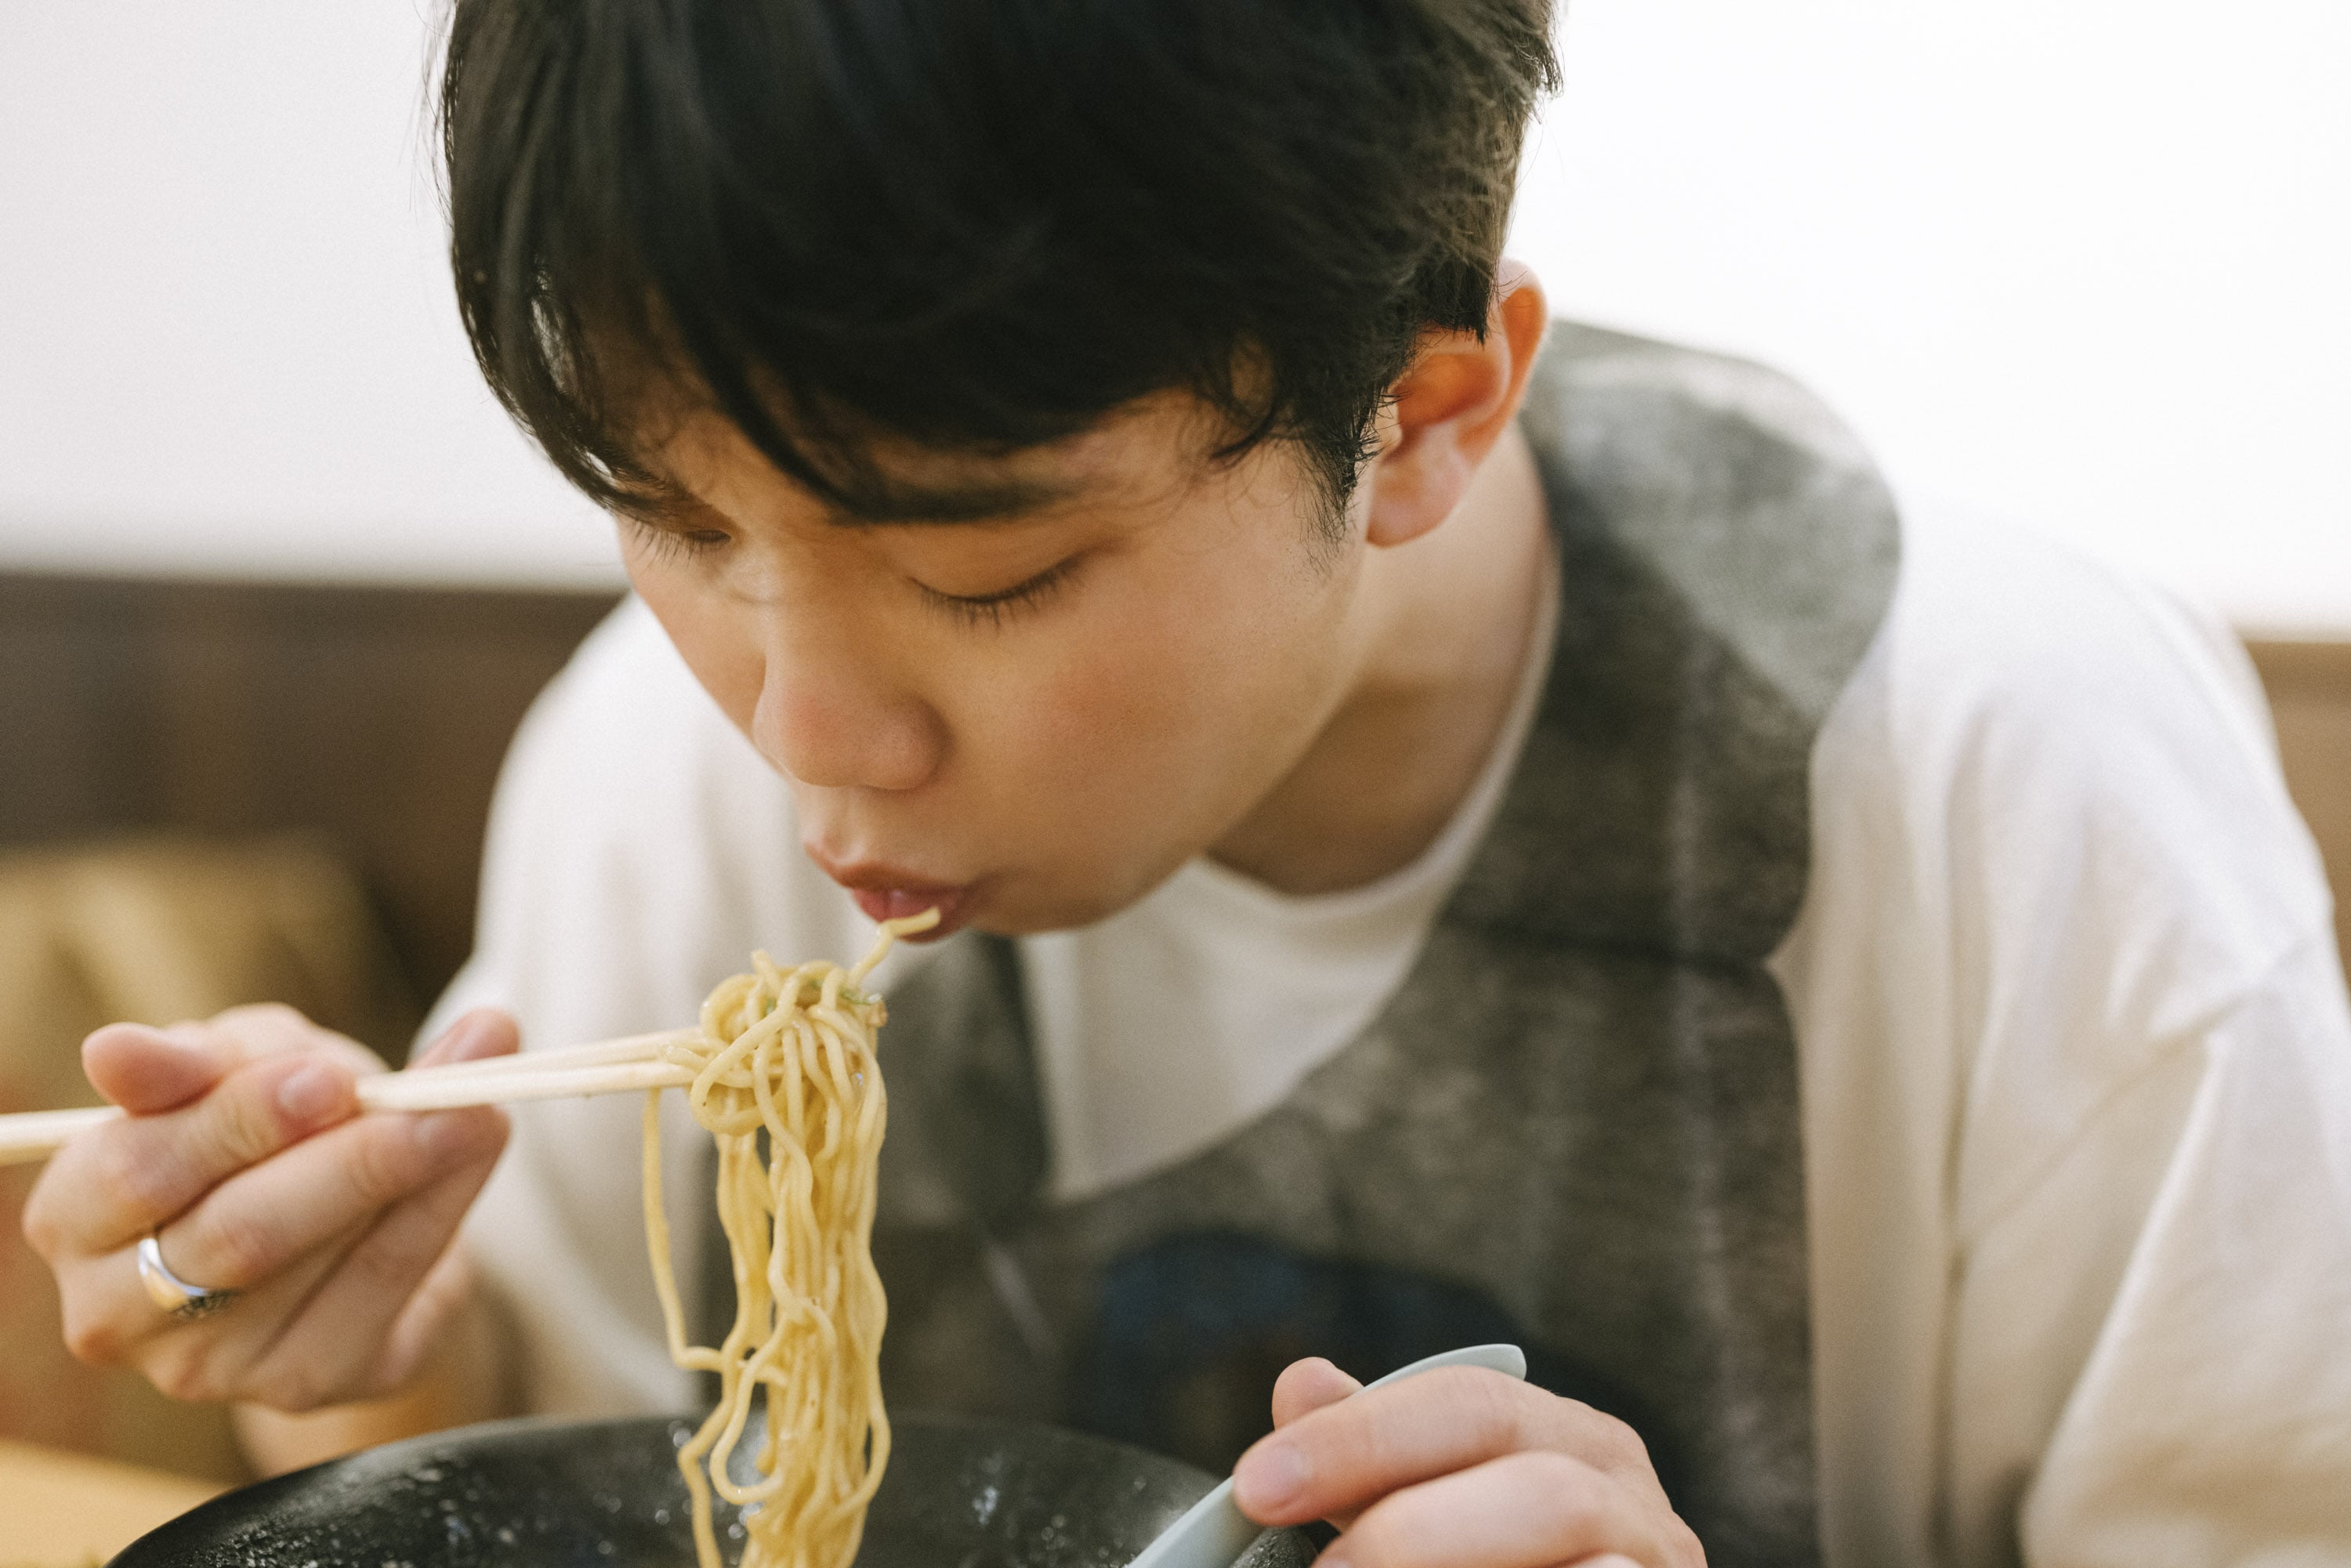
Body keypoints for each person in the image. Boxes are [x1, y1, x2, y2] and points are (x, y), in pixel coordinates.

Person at [24, 2, 2351, 1563]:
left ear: (1430, 413)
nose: (806, 734)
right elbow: (580, 1491)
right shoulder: (653, 771)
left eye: (996, 571)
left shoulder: (2019, 800)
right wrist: (340, 1374)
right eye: (681, 515)